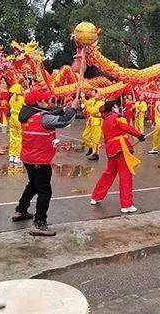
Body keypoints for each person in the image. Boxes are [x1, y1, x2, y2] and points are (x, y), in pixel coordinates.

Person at [13, 91, 77, 236]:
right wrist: (73, 109)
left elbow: (49, 114)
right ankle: (39, 223)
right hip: (40, 160)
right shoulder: (43, 118)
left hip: (28, 157)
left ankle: (21, 210)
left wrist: (64, 109)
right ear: (38, 103)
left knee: (33, 185)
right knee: (44, 191)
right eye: (44, 101)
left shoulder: (27, 115)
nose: (46, 103)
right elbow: (63, 121)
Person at [90, 100, 145, 213]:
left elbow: (106, 138)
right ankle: (126, 204)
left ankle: (96, 197)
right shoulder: (117, 117)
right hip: (121, 149)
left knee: (109, 173)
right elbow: (127, 127)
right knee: (125, 176)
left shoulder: (105, 121)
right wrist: (139, 135)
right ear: (113, 107)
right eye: (116, 106)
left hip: (111, 149)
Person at [82, 92, 105, 161]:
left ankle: (96, 154)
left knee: (96, 139)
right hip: (91, 120)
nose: (96, 95)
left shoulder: (102, 103)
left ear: (101, 96)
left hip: (97, 122)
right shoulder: (94, 100)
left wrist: (87, 108)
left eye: (98, 94)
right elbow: (87, 103)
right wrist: (83, 97)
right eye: (96, 93)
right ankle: (91, 147)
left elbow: (94, 110)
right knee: (85, 136)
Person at [8, 83, 25, 164]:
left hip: (12, 118)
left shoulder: (12, 99)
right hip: (19, 118)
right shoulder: (22, 99)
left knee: (12, 137)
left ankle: (11, 155)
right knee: (19, 137)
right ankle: (18, 156)